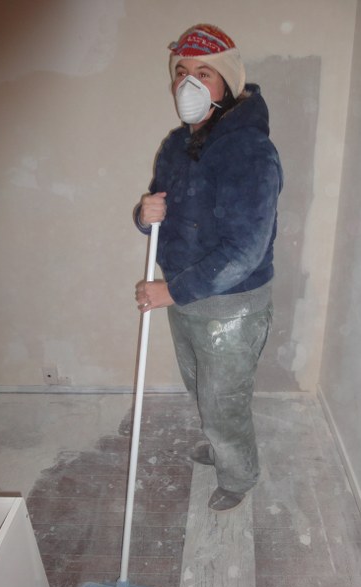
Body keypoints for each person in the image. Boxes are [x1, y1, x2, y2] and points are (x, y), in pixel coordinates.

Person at [134, 24, 283, 512]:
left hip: (231, 307)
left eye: (204, 73)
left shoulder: (249, 150)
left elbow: (244, 250)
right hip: (186, 296)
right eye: (181, 72)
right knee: (201, 387)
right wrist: (144, 215)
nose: (188, 84)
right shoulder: (175, 146)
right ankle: (221, 446)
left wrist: (170, 293)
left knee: (224, 401)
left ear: (228, 82)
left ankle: (238, 476)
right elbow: (163, 214)